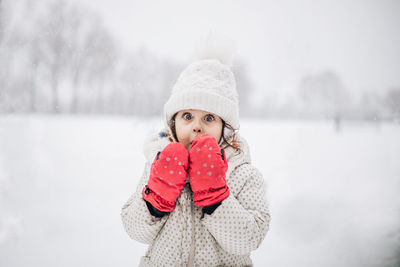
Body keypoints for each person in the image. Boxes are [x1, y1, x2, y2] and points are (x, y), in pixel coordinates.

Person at [121, 54, 270, 266]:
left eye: (209, 118)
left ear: (224, 128)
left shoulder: (242, 173)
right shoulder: (157, 164)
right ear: (173, 124)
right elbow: (135, 230)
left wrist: (216, 198)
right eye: (187, 116)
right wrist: (156, 202)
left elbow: (250, 238)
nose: (196, 126)